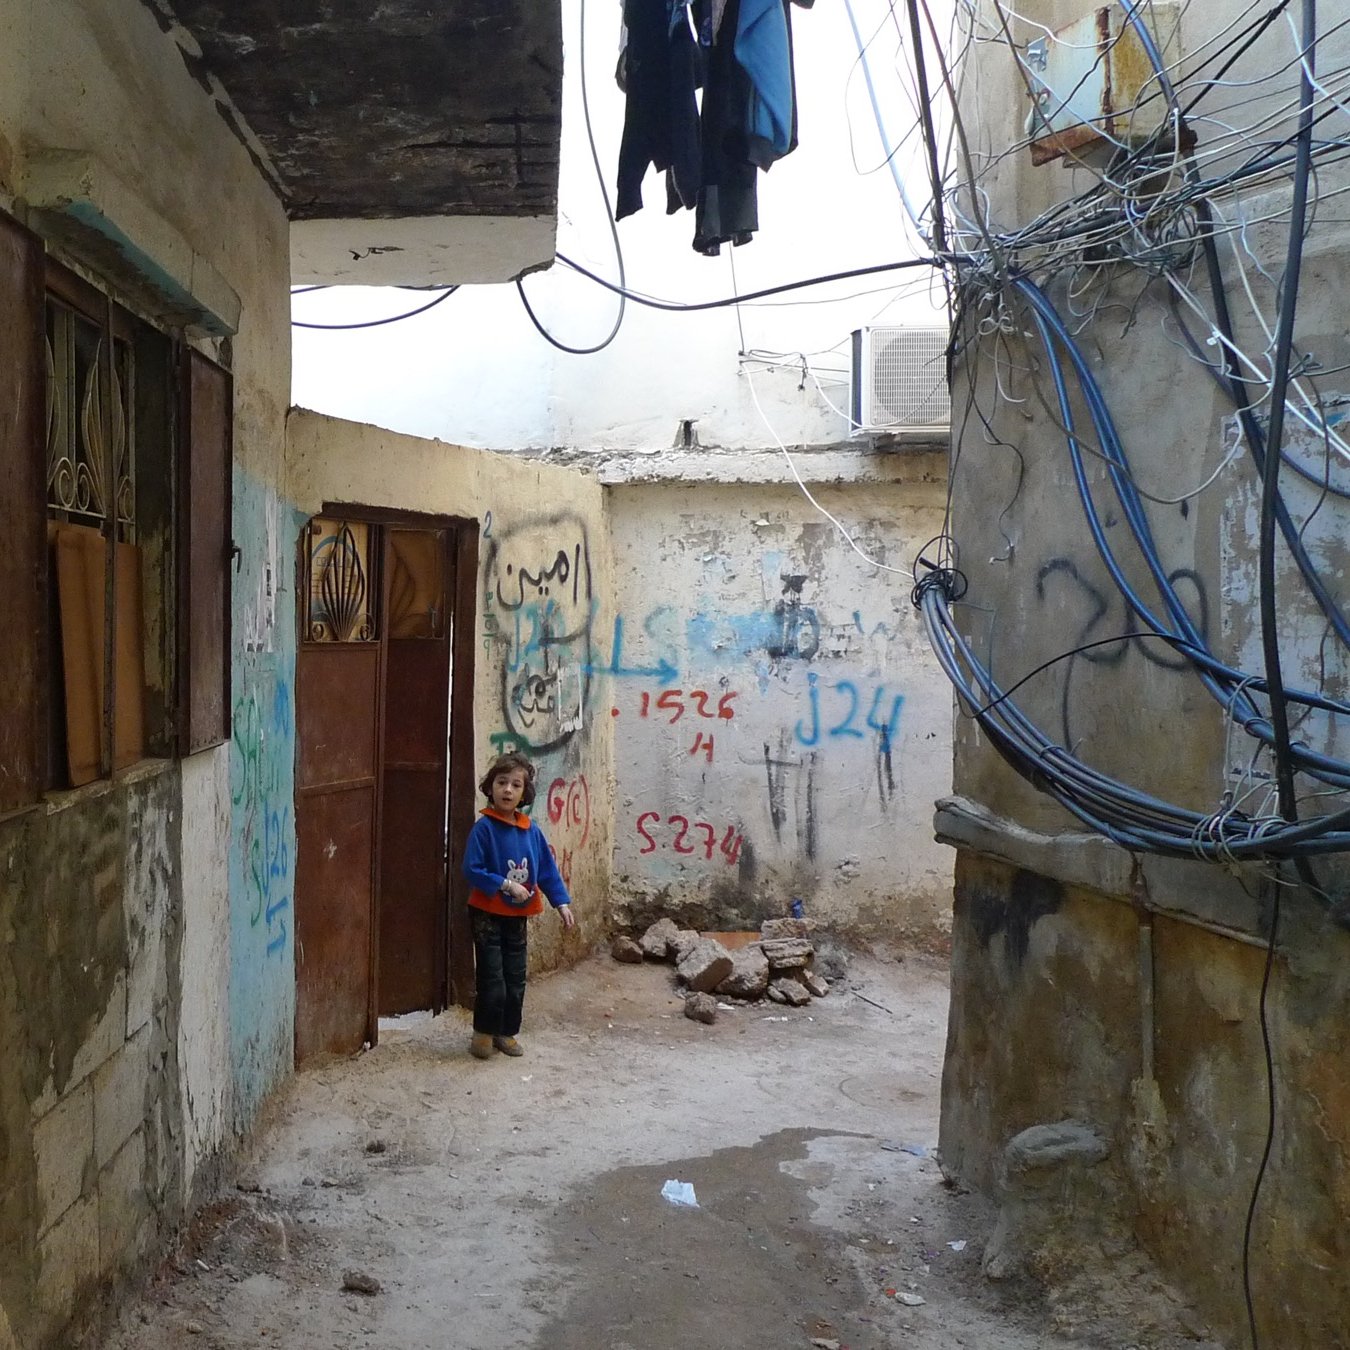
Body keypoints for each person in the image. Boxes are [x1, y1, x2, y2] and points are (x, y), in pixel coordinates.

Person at [463, 751, 575, 1059]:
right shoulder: (483, 828)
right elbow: (471, 869)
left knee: (515, 977)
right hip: (486, 913)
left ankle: (507, 1032)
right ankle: (483, 1032)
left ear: (524, 793)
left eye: (515, 785)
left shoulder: (532, 830)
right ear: (491, 788)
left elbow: (548, 870)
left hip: (518, 915)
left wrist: (561, 903)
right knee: (492, 977)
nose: (508, 790)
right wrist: (504, 883)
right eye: (502, 783)